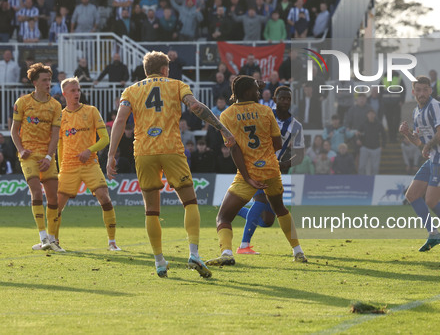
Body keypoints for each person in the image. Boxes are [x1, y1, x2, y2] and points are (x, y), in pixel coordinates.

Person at [107, 51, 236, 278]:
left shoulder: (131, 90)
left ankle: (159, 261)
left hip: (144, 151)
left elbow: (120, 120)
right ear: (166, 69)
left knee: (151, 210)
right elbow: (196, 107)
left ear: (146, 70)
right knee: (190, 201)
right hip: (171, 149)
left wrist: (111, 155)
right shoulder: (177, 85)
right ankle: (194, 253)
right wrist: (222, 128)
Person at [207, 76, 307, 265]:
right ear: (247, 92)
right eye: (256, 89)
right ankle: (298, 251)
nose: (259, 92)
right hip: (271, 169)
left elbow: (234, 149)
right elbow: (277, 143)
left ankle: (228, 253)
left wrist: (247, 176)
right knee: (279, 210)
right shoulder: (266, 111)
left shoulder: (226, 115)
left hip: (248, 173)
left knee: (223, 216)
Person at [47, 77, 120, 252]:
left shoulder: (92, 111)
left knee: (104, 197)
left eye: (78, 90)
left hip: (90, 164)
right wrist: (59, 166)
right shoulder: (60, 117)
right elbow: (59, 145)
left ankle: (112, 242)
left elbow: (105, 139)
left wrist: (89, 150)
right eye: (73, 91)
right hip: (68, 167)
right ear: (64, 94)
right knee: (57, 206)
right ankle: (53, 241)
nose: (77, 93)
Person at [398, 75, 440, 252]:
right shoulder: (416, 112)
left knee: (431, 200)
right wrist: (407, 133)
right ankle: (434, 233)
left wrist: (427, 145)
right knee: (411, 195)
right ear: (413, 92)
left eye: (425, 90)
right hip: (433, 159)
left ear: (430, 90)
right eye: (418, 90)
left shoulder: (436, 106)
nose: (421, 93)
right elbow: (419, 141)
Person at [236, 86, 305, 254]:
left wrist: (284, 164)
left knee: (267, 220)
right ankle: (244, 245)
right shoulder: (263, 114)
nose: (285, 101)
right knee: (260, 201)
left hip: (274, 170)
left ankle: (234, 208)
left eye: (288, 99)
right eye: (281, 98)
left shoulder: (296, 126)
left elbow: (300, 155)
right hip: (255, 165)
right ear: (274, 99)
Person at [11, 63, 62, 251]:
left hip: (47, 156)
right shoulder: (22, 102)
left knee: (53, 198)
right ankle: (43, 238)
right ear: (35, 82)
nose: (48, 83)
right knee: (36, 192)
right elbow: (14, 131)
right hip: (29, 154)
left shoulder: (56, 105)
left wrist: (49, 157)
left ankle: (52, 239)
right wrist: (21, 149)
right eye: (44, 80)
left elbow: (55, 134)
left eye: (49, 79)